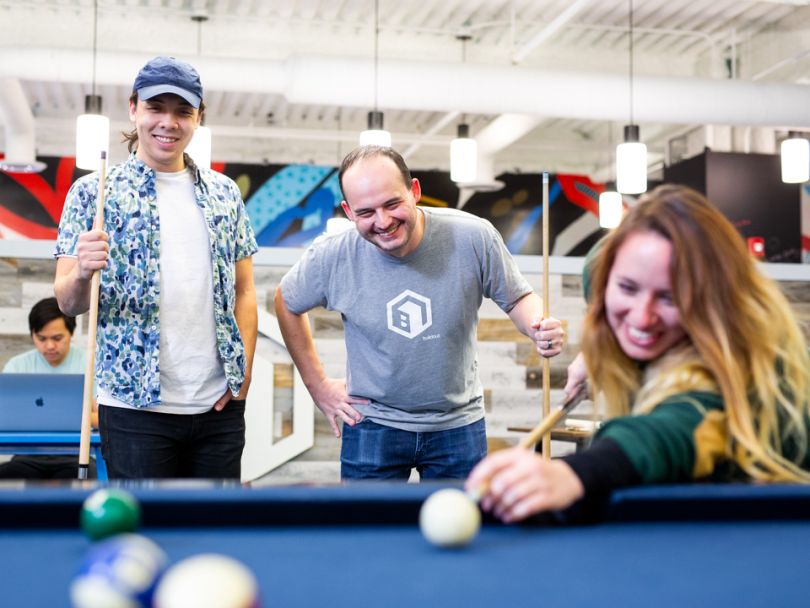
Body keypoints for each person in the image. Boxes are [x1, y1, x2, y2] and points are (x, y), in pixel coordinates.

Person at [466, 184, 810, 522]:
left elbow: (678, 427)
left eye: (670, 297)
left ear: (710, 299)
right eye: (627, 288)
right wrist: (598, 353)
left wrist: (573, 473)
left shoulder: (732, 354)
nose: (643, 316)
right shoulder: (651, 329)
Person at [275, 145, 565, 480]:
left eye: (392, 204)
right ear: (348, 211)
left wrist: (537, 325)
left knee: (460, 531)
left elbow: (517, 298)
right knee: (367, 532)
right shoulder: (333, 255)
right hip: (373, 424)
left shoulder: (473, 236)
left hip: (457, 424)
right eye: (366, 212)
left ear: (414, 191)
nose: (383, 222)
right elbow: (287, 301)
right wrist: (319, 386)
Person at [54, 56, 258, 479]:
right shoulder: (93, 193)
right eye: (156, 108)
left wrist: (244, 372)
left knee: (214, 530)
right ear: (134, 108)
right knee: (143, 532)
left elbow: (244, 291)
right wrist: (83, 272)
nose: (168, 122)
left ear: (198, 118)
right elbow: (68, 303)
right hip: (133, 408)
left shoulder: (224, 194)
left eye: (182, 111)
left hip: (216, 407)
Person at [0, 297, 96, 479]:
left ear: (71, 333)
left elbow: (105, 418)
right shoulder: (17, 366)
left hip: (77, 456)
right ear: (32, 335)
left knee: (90, 476)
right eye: (41, 338)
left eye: (57, 338)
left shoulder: (91, 364)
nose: (50, 346)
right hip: (26, 457)